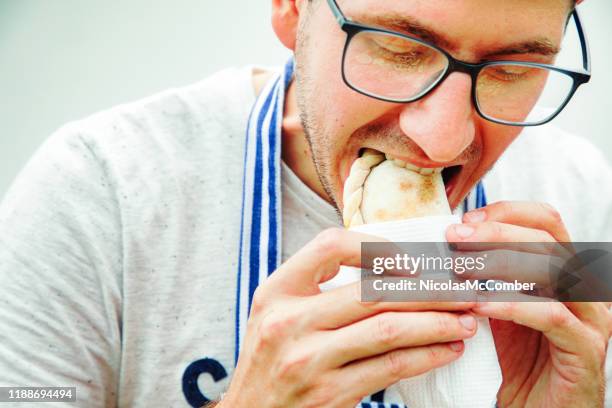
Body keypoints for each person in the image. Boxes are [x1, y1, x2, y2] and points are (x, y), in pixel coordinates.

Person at [1, 0, 611, 407]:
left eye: (513, 69)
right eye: (398, 47)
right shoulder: (96, 192)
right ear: (292, 9)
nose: (444, 139)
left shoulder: (581, 199)